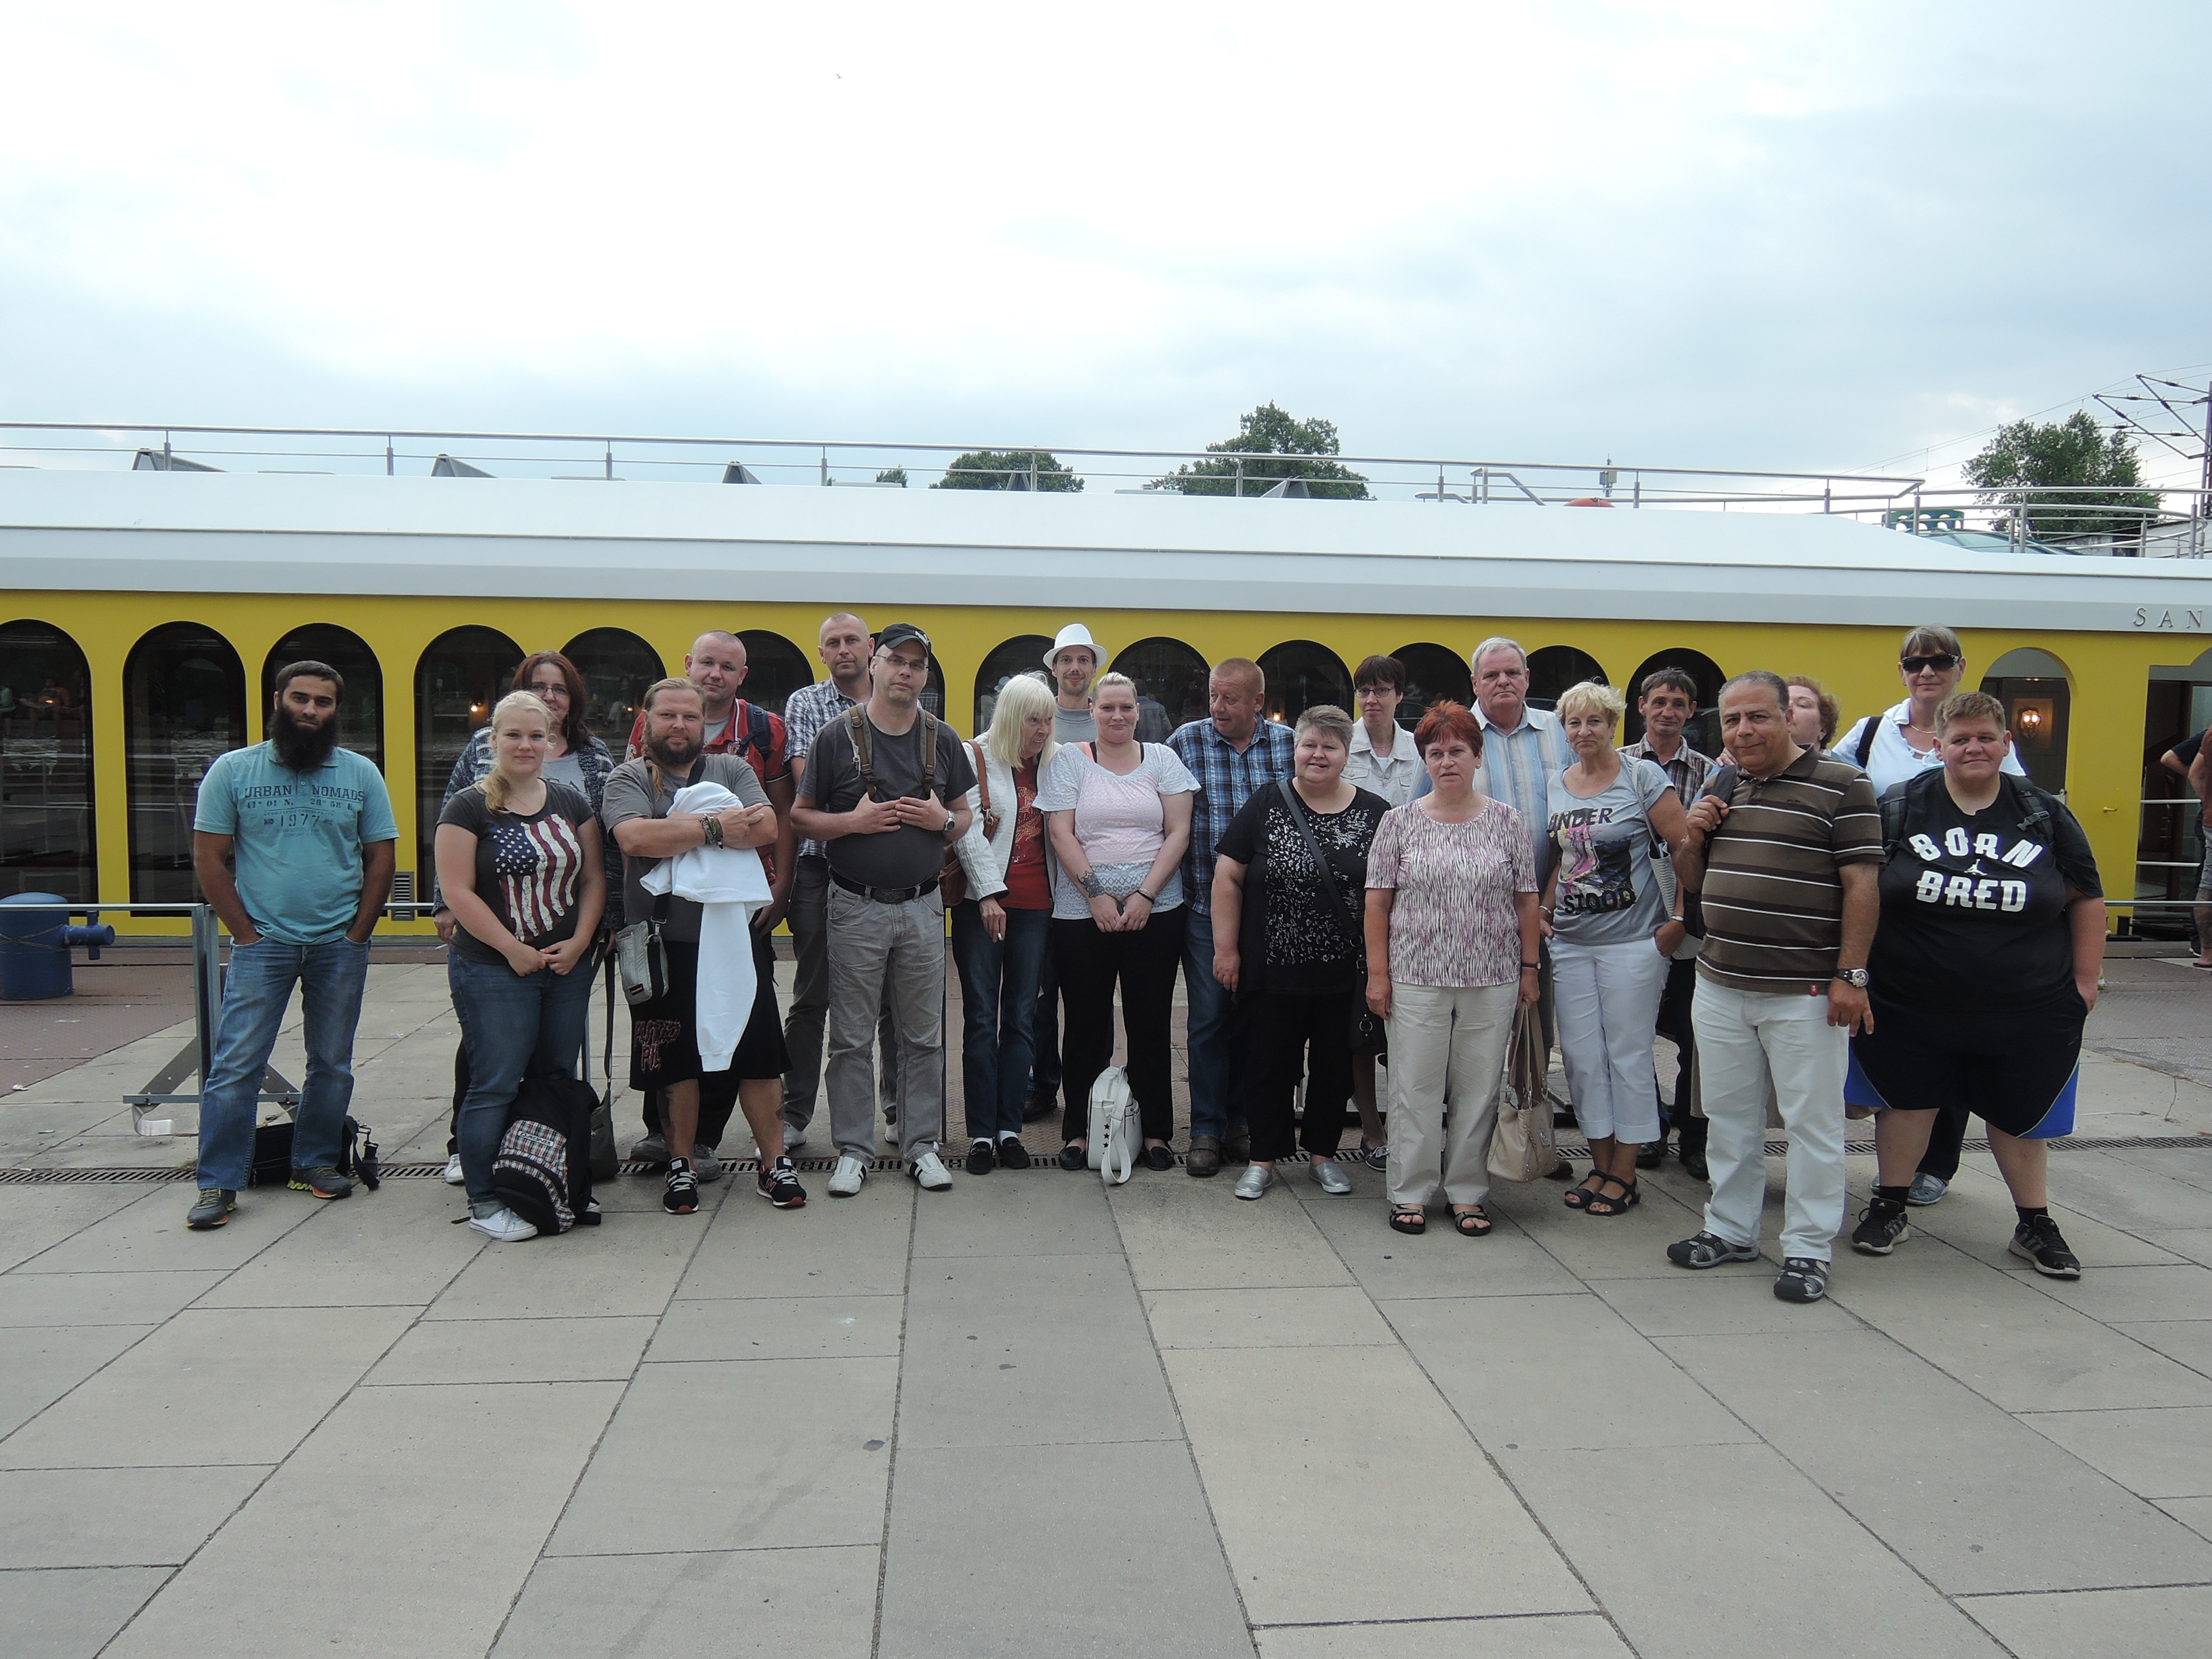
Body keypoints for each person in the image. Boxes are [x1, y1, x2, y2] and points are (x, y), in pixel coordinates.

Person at [1846, 692, 2104, 1278]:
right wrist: (1854, 974)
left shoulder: (2042, 812)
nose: (1974, 748)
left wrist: (2085, 982)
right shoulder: (1900, 808)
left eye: (1986, 737)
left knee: (2018, 1114)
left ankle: (2035, 1223)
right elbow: (1858, 890)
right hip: (1912, 999)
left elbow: (2087, 895)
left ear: (2006, 744)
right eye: (1960, 738)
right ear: (1937, 748)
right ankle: (1890, 1205)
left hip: (2026, 1003)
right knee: (1907, 1103)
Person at [1667, 671, 1881, 1304]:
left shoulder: (1844, 785)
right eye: (1732, 721)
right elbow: (1693, 879)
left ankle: (1809, 1248)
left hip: (1806, 991)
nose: (1743, 731)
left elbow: (1861, 885)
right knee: (1729, 1118)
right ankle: (1731, 1229)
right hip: (1722, 981)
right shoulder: (1722, 781)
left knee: (1812, 1124)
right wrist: (1693, 834)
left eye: (1757, 717)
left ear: (1790, 718)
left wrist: (1852, 976)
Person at [184, 661, 397, 1230]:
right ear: (277, 700)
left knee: (332, 1064)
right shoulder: (233, 771)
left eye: (322, 702)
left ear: (335, 710)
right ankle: (218, 1184)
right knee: (236, 1067)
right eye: (300, 698)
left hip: (338, 944)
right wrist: (245, 934)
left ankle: (315, 1163)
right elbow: (209, 857)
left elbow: (381, 856)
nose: (310, 710)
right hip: (265, 943)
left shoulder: (359, 773)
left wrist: (359, 932)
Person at [1836, 626, 2026, 1207]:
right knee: (1900, 1038)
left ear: (1960, 666)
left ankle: (1936, 1163)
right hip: (1892, 907)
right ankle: (1896, 1158)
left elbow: (2017, 804)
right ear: (1901, 670)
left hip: (1960, 903)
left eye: (1939, 661)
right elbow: (1827, 785)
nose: (1927, 672)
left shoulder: (1985, 736)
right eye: (1915, 662)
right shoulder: (1871, 733)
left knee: (1955, 1034)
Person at [792, 623, 977, 1195]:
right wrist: (853, 822)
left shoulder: (942, 737)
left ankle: (921, 1146)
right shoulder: (833, 737)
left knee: (923, 1036)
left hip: (922, 908)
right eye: (896, 660)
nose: (905, 672)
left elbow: (963, 815)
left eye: (917, 665)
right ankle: (854, 1148)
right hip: (854, 905)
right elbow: (801, 817)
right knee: (850, 1035)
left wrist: (941, 822)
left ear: (925, 675)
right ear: (874, 663)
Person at [603, 680, 796, 1216]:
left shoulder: (731, 768)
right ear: (646, 722)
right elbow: (635, 840)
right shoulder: (628, 778)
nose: (681, 726)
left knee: (758, 1054)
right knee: (673, 1063)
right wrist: (715, 826)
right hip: (662, 945)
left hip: (736, 937)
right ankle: (681, 1164)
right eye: (668, 716)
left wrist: (679, 830)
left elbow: (763, 826)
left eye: (691, 717)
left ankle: (773, 1163)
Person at [434, 649, 622, 1187]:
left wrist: (583, 938)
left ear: (551, 740)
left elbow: (593, 876)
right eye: (514, 736)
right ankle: (485, 1196)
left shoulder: (570, 798)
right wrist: (512, 949)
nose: (526, 746)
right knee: (494, 1080)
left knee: (554, 1078)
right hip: (494, 968)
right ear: (492, 741)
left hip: (565, 966)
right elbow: (458, 889)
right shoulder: (469, 806)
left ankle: (543, 1180)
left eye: (536, 737)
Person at [1364, 702, 1541, 1236]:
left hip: (1493, 977)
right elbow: (1376, 904)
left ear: (1477, 756)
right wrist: (1379, 975)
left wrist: (1529, 968)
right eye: (1435, 753)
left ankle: (1467, 1193)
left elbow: (1527, 900)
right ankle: (1409, 1192)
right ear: (1425, 760)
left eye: (1457, 751)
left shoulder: (1508, 822)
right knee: (1413, 1090)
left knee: (1478, 1089)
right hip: (1416, 977)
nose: (1447, 762)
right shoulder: (1398, 823)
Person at [1212, 705, 1389, 1200]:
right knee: (1267, 1064)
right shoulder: (1267, 802)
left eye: (1329, 746)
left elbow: (1390, 892)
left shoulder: (1376, 812)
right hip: (1270, 969)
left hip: (1343, 973)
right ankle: (1263, 1160)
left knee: (1335, 1068)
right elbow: (1228, 876)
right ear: (1295, 749)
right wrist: (1226, 949)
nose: (1318, 754)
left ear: (1345, 754)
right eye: (1310, 744)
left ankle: (1323, 1156)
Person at [1542, 681, 1689, 1217]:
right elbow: (1564, 857)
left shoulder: (1641, 776)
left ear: (1612, 724)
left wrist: (1679, 919)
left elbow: (1684, 847)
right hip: (1573, 944)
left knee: (1627, 1056)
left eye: (1594, 722)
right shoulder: (1558, 783)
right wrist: (1543, 906)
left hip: (1633, 942)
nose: (1584, 732)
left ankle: (1625, 1172)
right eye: (1574, 723)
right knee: (1582, 1059)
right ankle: (1600, 1164)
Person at [1040, 673, 1198, 1170]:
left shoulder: (1164, 760)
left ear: (1138, 711)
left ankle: (1155, 1132)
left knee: (1149, 1020)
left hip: (1156, 910)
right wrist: (1097, 897)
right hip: (1082, 913)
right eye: (1107, 707)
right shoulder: (1070, 760)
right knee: (1086, 1022)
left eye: (1126, 707)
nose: (1117, 716)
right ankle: (1081, 1133)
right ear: (1091, 709)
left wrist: (1147, 894)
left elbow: (1178, 831)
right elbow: (1060, 833)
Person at [1168, 658, 1296, 1176]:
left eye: (1230, 699)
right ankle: (1206, 1128)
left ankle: (1244, 1125)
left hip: (1270, 914)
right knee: (1209, 1020)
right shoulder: (1185, 744)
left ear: (1258, 703)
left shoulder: (1289, 747)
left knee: (1258, 1023)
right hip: (1203, 907)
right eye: (1213, 698)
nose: (1217, 708)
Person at [781, 611, 898, 1151]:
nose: (844, 649)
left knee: (891, 999)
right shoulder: (806, 703)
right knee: (812, 995)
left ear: (871, 648)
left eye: (852, 639)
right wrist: (862, 816)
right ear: (823, 653)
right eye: (833, 643)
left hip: (886, 872)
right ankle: (795, 1114)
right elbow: (810, 783)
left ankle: (896, 1110)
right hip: (819, 866)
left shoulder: (901, 694)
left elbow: (916, 781)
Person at [949, 672, 1058, 1173]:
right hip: (982, 907)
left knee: (1020, 1017)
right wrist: (989, 894)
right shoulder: (975, 756)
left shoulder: (1054, 762)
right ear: (1013, 717)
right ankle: (980, 1135)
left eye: (1049, 719)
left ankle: (1010, 1128)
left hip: (1037, 907)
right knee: (979, 1018)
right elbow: (968, 832)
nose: (1043, 729)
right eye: (1034, 719)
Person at [1617, 668, 1715, 1176]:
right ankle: (1648, 1130)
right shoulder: (1616, 766)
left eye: (1678, 703)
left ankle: (1694, 1135)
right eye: (1659, 702)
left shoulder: (1709, 771)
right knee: (1634, 1031)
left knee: (1694, 1034)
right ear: (1641, 707)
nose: (1668, 711)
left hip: (1689, 920)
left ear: (1691, 711)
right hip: (1630, 918)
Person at [1340, 654, 1422, 1170]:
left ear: (1398, 695)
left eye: (1382, 689)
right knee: (1360, 1024)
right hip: (1353, 901)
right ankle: (1371, 1130)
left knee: (1410, 1022)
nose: (1372, 699)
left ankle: (1405, 1128)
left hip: (1414, 900)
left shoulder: (1420, 751)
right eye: (1364, 690)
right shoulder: (1340, 745)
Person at [2158, 728, 2211, 968]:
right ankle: (2202, 945)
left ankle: (2204, 948)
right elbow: (2170, 758)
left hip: (2209, 816)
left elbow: (2171, 758)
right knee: (2206, 881)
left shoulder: (2208, 734)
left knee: (2206, 881)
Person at [1044, 623, 1101, 743]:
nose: (1075, 668)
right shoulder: (1039, 719)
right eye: (1067, 660)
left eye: (1083, 660)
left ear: (1094, 669)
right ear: (1054, 669)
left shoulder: (1107, 721)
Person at [1785, 676, 1840, 754]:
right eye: (1783, 702)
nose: (1789, 706)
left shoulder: (1842, 766)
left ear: (1823, 730)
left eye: (1803, 705)